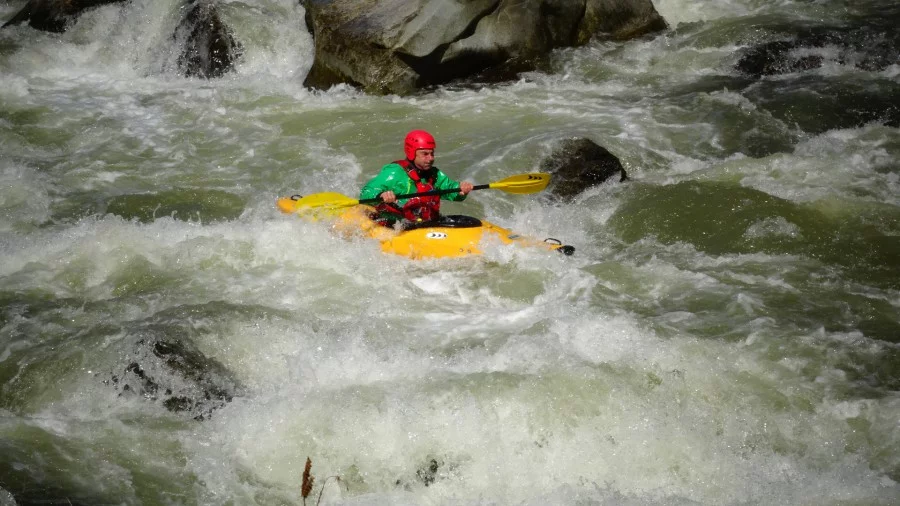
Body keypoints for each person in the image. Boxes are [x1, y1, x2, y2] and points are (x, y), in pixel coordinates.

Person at [360, 130, 474, 227]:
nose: (431, 158)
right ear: (411, 153)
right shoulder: (395, 172)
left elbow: (450, 190)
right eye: (425, 154)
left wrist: (460, 189)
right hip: (393, 225)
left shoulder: (434, 174)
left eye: (432, 154)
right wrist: (382, 195)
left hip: (421, 224)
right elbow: (367, 192)